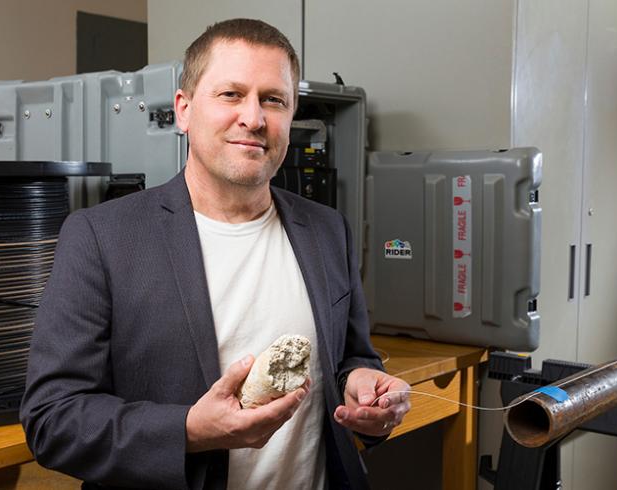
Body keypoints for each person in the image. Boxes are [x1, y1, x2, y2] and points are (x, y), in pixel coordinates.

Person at [21, 18, 411, 490]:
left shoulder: (328, 231)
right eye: (231, 94)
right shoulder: (102, 238)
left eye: (274, 100)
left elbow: (350, 358)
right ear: (184, 110)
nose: (254, 118)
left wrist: (366, 389)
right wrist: (188, 431)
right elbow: (52, 418)